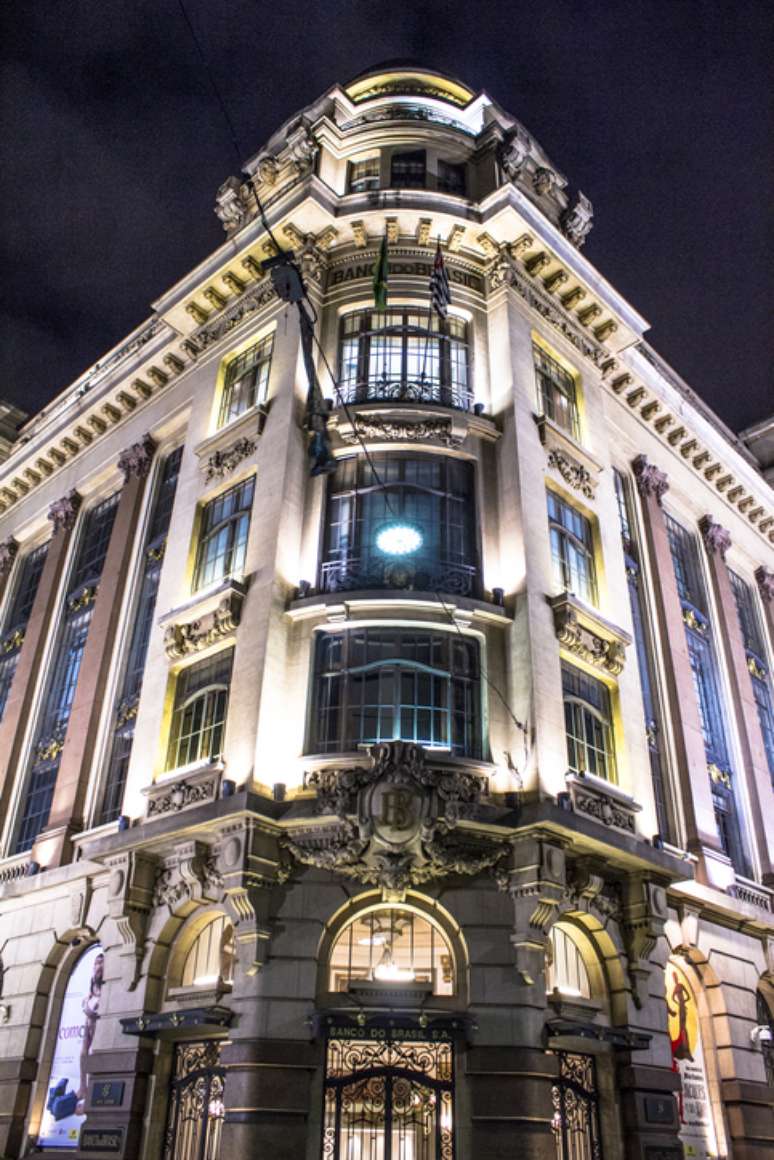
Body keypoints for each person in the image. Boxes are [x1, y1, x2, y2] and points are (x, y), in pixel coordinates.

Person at [76, 952, 104, 1114]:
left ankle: (90, 1096)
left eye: (101, 963)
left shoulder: (104, 988)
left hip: (98, 1027)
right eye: (96, 963)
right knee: (83, 1053)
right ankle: (82, 1087)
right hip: (88, 1025)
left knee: (93, 1053)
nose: (98, 966)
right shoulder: (91, 989)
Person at [667, 969, 694, 1062]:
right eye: (674, 977)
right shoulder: (675, 988)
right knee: (681, 1026)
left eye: (675, 977)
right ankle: (683, 1048)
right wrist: (679, 1003)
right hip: (680, 1007)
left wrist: (683, 1002)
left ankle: (686, 1049)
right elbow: (672, 997)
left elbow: (688, 996)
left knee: (683, 1026)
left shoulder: (681, 985)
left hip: (683, 1006)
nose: (675, 979)